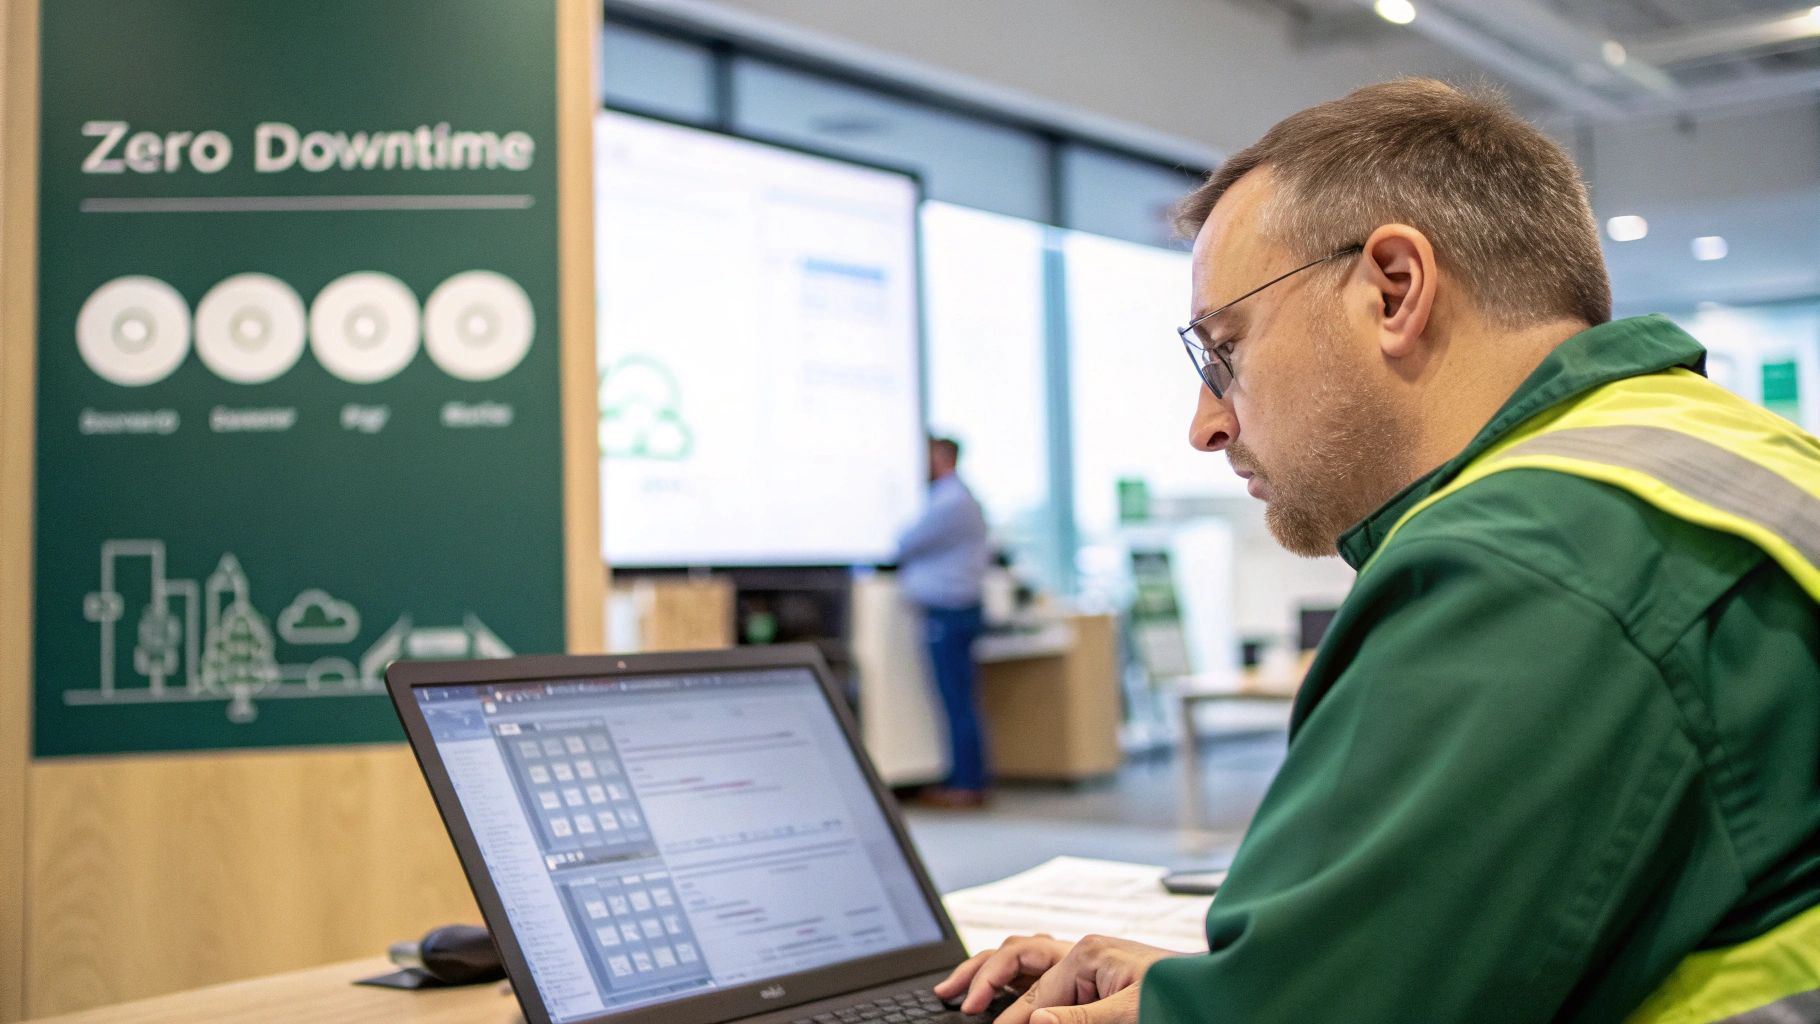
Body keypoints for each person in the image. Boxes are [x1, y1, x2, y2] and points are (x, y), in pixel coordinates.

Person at [937, 79, 1820, 1024]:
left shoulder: (1528, 560)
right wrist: (1220, 991)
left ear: (1394, 288)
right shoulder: (1705, 456)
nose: (1206, 423)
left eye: (1223, 350)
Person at [895, 435, 993, 807]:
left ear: (943, 456)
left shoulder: (950, 501)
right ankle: (966, 779)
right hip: (957, 610)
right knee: (961, 698)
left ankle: (966, 784)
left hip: (950, 613)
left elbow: (904, 542)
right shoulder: (957, 497)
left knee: (957, 700)